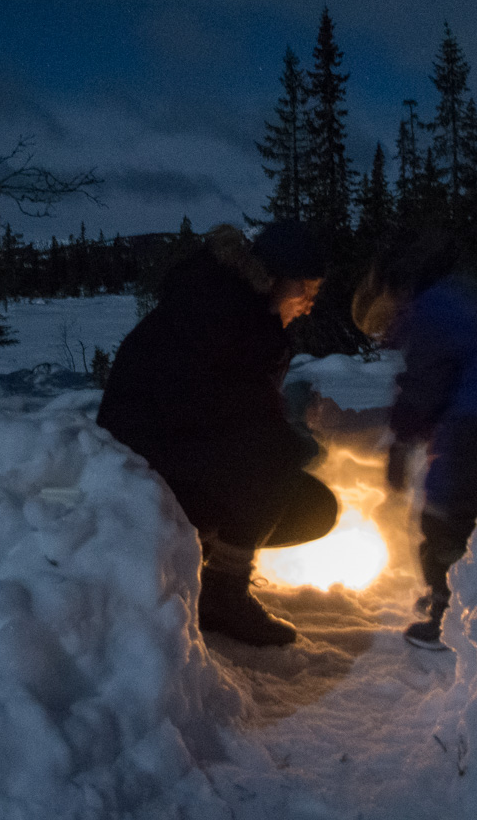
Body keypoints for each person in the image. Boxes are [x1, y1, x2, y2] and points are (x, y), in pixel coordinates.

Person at [97, 221, 336, 647]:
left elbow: (234, 411)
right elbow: (206, 409)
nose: (309, 305)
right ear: (276, 277)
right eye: (307, 290)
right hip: (141, 465)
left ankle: (206, 560)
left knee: (313, 506)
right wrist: (283, 437)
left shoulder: (249, 320)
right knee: (279, 456)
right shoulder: (213, 311)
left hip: (185, 454)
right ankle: (223, 594)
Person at [352, 233, 477, 649]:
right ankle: (462, 597)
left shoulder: (429, 313)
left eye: (383, 323)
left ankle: (448, 614)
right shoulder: (451, 297)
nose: (386, 335)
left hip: (471, 427)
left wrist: (402, 440)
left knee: (443, 518)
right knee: (467, 516)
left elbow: (423, 385)